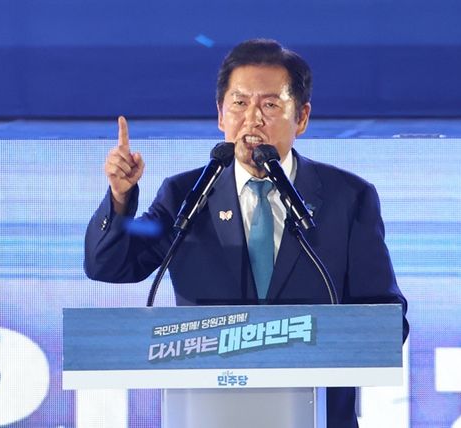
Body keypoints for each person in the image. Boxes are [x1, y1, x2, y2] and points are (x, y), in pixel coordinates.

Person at [85, 39, 409, 428]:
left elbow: (387, 321)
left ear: (301, 117)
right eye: (239, 103)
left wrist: (314, 340)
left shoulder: (348, 197)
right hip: (208, 414)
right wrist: (120, 198)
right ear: (221, 115)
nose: (252, 119)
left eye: (270, 105)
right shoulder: (185, 195)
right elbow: (109, 265)